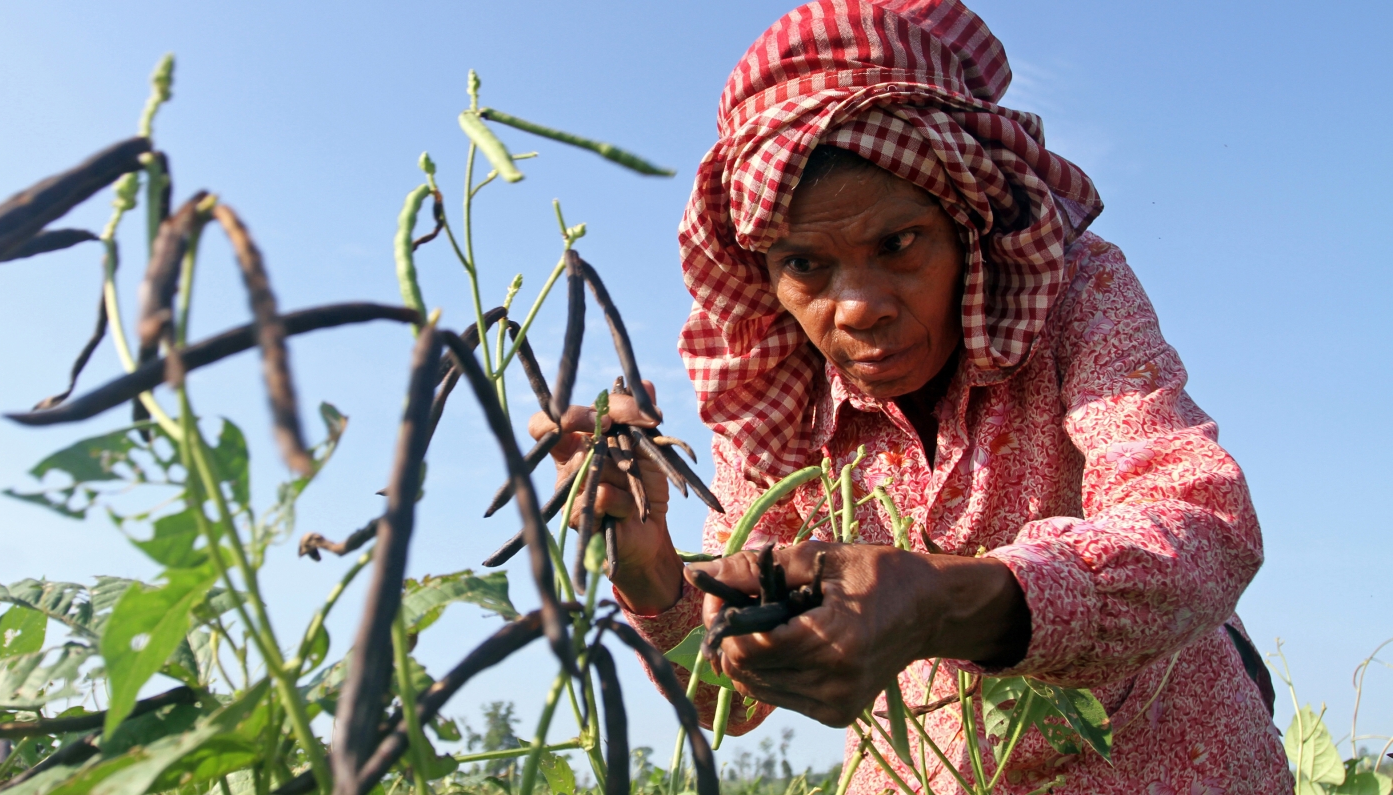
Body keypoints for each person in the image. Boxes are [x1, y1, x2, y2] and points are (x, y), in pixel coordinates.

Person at [528, 1, 1291, 791]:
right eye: (805, 266)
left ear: (965, 222)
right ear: (768, 273)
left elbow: (1202, 521)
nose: (857, 306)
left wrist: (936, 599)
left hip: (1163, 759)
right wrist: (650, 566)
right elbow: (731, 694)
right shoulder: (774, 395)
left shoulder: (1075, 295)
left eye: (897, 245)